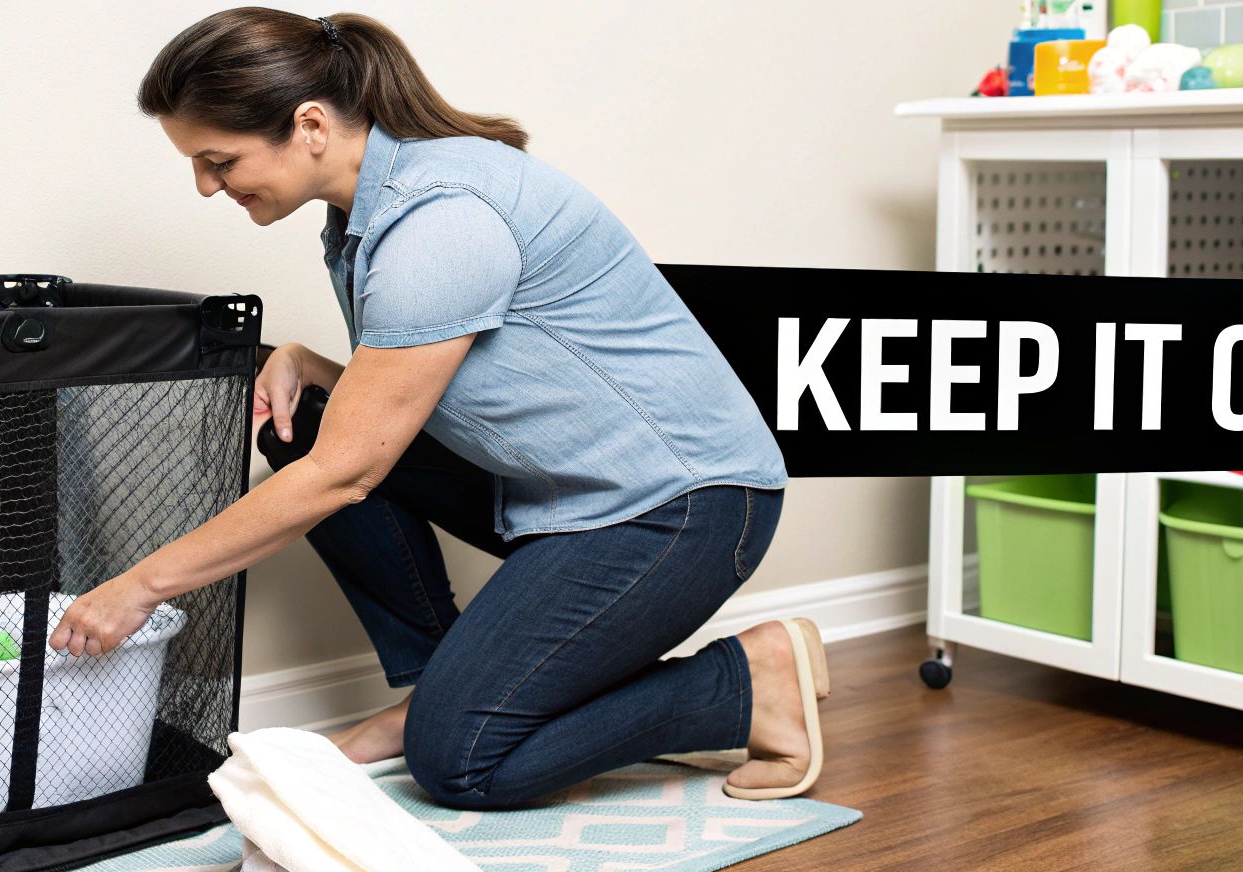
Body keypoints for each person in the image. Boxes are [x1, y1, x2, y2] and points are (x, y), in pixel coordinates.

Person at [45, 7, 831, 809]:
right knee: (303, 416)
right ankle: (446, 685)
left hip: (676, 507)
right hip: (564, 488)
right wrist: (314, 367)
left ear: (309, 125)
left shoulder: (439, 218)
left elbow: (346, 474)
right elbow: (452, 373)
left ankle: (748, 682)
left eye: (219, 159)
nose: (207, 184)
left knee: (462, 762)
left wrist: (139, 587)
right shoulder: (367, 209)